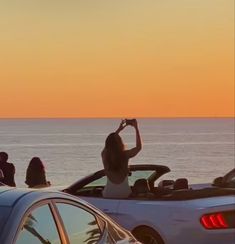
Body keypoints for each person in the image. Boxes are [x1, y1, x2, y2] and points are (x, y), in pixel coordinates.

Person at [102, 119, 142, 198]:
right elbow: (138, 147)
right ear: (120, 143)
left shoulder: (105, 156)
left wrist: (119, 130)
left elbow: (108, 144)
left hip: (109, 194)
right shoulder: (125, 155)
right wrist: (136, 128)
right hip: (125, 194)